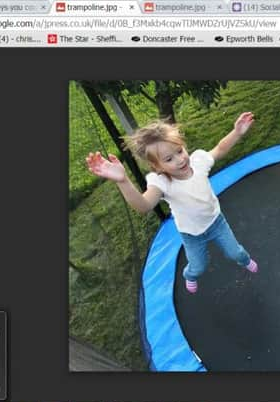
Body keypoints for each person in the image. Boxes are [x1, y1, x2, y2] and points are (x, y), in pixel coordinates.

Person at [86, 112, 258, 294]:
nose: (180, 159)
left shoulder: (198, 161)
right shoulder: (161, 182)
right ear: (158, 167)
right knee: (199, 266)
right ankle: (189, 276)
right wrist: (123, 181)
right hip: (191, 235)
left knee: (236, 253)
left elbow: (220, 149)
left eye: (179, 151)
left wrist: (237, 132)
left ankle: (244, 260)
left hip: (217, 222)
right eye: (169, 159)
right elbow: (143, 206)